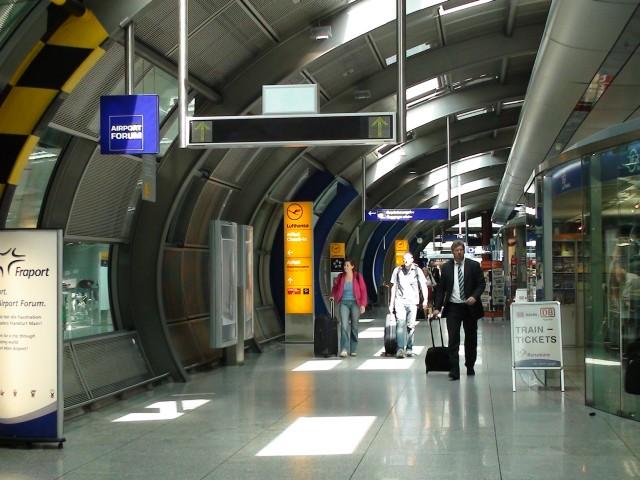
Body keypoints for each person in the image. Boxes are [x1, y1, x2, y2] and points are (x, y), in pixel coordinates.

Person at [434, 240, 486, 380]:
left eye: (461, 250)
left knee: (471, 339)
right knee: (453, 339)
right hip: (453, 307)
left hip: (470, 307)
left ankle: (470, 366)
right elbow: (441, 289)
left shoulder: (473, 265)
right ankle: (454, 370)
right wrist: (437, 308)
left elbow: (481, 284)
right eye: (456, 250)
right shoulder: (446, 268)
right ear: (452, 252)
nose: (459, 252)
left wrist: (474, 296)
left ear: (464, 251)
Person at [389, 252, 429, 358]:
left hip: (412, 302)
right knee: (400, 323)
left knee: (411, 326)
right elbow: (394, 287)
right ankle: (400, 349)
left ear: (412, 259)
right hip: (400, 301)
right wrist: (391, 303)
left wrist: (425, 300)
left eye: (408, 258)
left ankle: (409, 348)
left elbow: (423, 285)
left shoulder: (417, 271)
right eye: (404, 258)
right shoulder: (397, 270)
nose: (405, 260)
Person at [331, 258, 368, 357]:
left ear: (352, 266)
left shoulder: (357, 277)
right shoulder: (340, 277)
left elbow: (363, 291)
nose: (345, 267)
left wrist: (363, 304)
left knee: (354, 326)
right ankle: (344, 349)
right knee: (344, 325)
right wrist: (333, 296)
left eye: (347, 265)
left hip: (355, 303)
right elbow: (335, 288)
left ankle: (353, 348)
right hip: (344, 303)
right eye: (344, 265)